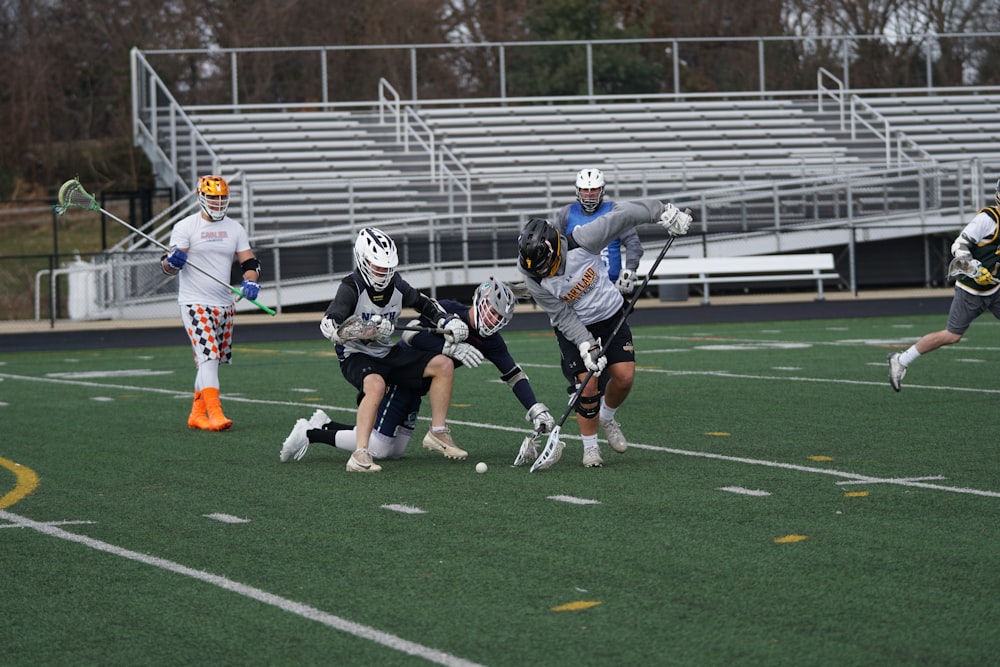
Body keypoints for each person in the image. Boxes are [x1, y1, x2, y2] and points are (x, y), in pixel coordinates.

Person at [280, 277, 556, 465]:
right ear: (480, 301)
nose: (494, 321)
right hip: (402, 377)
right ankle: (311, 433)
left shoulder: (492, 341)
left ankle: (325, 424)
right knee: (380, 448)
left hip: (420, 386)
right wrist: (450, 347)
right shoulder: (451, 311)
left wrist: (535, 409)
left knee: (395, 450)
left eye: (500, 318)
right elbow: (410, 336)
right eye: (493, 312)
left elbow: (513, 374)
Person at [517, 199, 691, 468]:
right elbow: (562, 314)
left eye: (544, 265)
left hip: (610, 314)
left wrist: (664, 212)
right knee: (587, 385)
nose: (543, 272)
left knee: (624, 377)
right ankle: (590, 448)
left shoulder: (584, 239)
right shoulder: (532, 275)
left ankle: (608, 417)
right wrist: (586, 344)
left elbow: (624, 214)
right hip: (574, 325)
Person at [311, 227, 470, 473]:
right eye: (378, 267)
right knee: (374, 385)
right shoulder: (351, 287)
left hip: (386, 352)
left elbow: (424, 303)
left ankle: (438, 432)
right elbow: (330, 328)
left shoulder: (396, 285)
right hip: (356, 355)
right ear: (363, 261)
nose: (384, 272)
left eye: (388, 267)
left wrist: (447, 321)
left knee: (443, 365)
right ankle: (360, 453)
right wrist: (368, 330)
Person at [160, 174, 261, 432]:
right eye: (212, 198)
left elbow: (249, 263)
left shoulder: (235, 229)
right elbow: (167, 265)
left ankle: (196, 413)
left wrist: (251, 281)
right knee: (209, 354)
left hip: (224, 304)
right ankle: (214, 412)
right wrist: (172, 263)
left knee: (211, 360)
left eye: (221, 199)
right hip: (195, 303)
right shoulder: (185, 227)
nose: (217, 204)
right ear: (200, 197)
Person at [888, 179, 1000, 391]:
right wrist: (974, 268)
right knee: (952, 336)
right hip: (972, 290)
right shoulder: (988, 218)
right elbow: (959, 245)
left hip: (995, 287)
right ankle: (901, 359)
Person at [555, 167, 645, 295]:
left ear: (602, 190)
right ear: (578, 191)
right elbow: (554, 247)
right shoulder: (566, 213)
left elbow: (633, 243)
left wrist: (630, 270)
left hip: (610, 286)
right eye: (585, 190)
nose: (589, 194)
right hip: (576, 289)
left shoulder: (614, 211)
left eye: (594, 190)